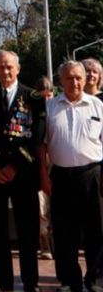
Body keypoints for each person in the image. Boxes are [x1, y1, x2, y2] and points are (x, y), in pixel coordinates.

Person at [0, 51, 44, 292]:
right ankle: (3, 283)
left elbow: (37, 137)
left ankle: (30, 282)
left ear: (17, 68)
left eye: (9, 67)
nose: (5, 72)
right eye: (0, 67)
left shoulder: (33, 97)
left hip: (23, 174)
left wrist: (15, 165)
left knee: (28, 231)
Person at [40, 60, 103, 292]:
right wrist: (44, 176)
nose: (74, 82)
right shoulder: (50, 107)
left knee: (96, 230)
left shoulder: (98, 106)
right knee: (64, 232)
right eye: (69, 78)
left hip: (92, 175)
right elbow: (42, 147)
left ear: (85, 80)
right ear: (61, 81)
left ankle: (95, 280)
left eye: (78, 77)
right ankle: (69, 281)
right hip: (61, 177)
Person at [33, 76, 54, 261]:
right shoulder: (33, 112)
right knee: (41, 208)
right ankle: (44, 243)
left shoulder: (58, 110)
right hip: (39, 167)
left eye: (49, 95)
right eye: (43, 96)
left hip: (57, 166)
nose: (47, 100)